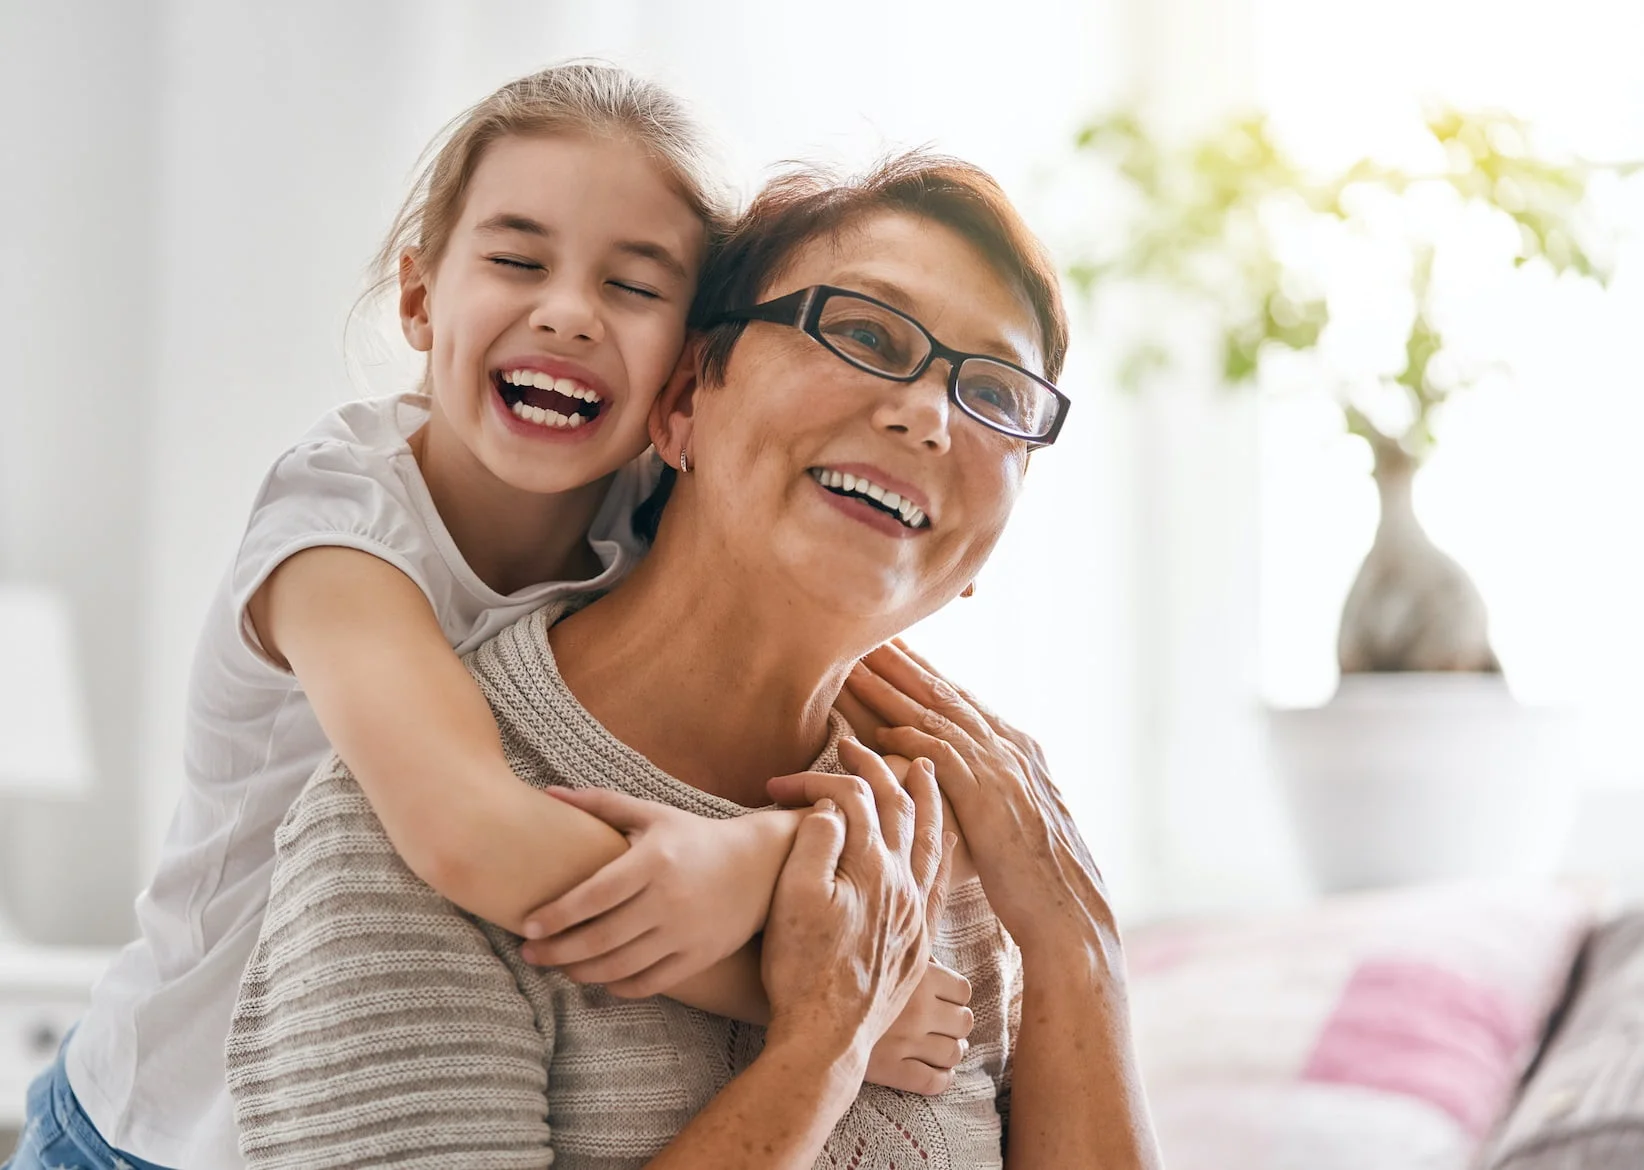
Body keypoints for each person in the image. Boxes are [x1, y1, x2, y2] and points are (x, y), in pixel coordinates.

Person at [4, 63, 957, 1170]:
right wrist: (818, 983)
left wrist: (772, 848)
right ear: (419, 299)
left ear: (690, 369)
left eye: (635, 287)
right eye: (517, 260)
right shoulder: (336, 528)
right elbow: (469, 834)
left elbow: (840, 709)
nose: (567, 310)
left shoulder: (657, 514)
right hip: (154, 1135)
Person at [226, 152, 1163, 1168]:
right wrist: (821, 1047)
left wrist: (1079, 952)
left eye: (995, 394)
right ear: (680, 405)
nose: (928, 416)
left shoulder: (974, 841)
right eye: (861, 332)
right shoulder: (405, 824)